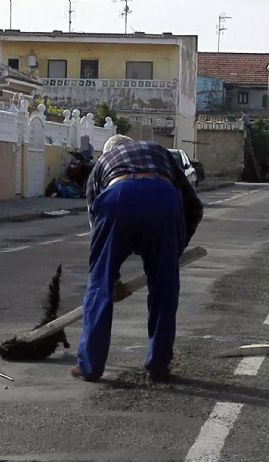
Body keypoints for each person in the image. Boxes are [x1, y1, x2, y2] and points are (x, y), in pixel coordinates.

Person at [71, 135, 204, 382]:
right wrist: (174, 250)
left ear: (109, 152)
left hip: (118, 197)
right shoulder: (159, 151)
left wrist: (112, 280)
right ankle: (159, 365)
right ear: (131, 144)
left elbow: (97, 231)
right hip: (163, 198)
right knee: (165, 289)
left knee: (99, 285)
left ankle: (90, 366)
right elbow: (194, 207)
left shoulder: (102, 164)